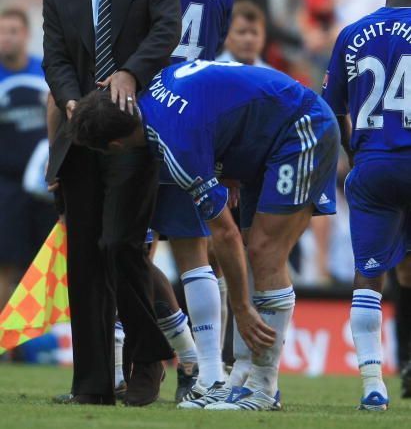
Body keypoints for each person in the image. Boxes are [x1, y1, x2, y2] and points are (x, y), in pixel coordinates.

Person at [69, 58, 340, 412]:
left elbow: (223, 234)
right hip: (267, 136)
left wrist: (241, 308)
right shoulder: (157, 81)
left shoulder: (173, 144)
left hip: (301, 128)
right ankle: (240, 380)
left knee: (264, 251)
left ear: (115, 146)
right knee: (254, 249)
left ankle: (263, 388)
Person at [42, 0, 181, 406]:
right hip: (80, 139)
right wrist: (72, 101)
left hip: (133, 135)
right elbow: (54, 59)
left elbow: (167, 31)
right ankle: (93, 387)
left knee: (119, 247)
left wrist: (128, 72)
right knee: (84, 261)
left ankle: (146, 361)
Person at [135, 0, 234, 401]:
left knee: (133, 248)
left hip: (143, 112)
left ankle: (153, 363)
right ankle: (209, 372)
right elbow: (214, 53)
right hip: (196, 116)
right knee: (196, 252)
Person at [322, 0, 411, 411]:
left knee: (369, 274)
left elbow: (331, 107)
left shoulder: (353, 34)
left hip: (374, 162)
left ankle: (373, 385)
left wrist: (355, 152)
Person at [0, 7, 56, 310]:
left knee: (44, 264)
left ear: (26, 35)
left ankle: (48, 340)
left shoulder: (45, 72)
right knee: (6, 262)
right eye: (2, 32)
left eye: (13, 31)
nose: (6, 38)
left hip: (45, 185)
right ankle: (5, 343)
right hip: (6, 186)